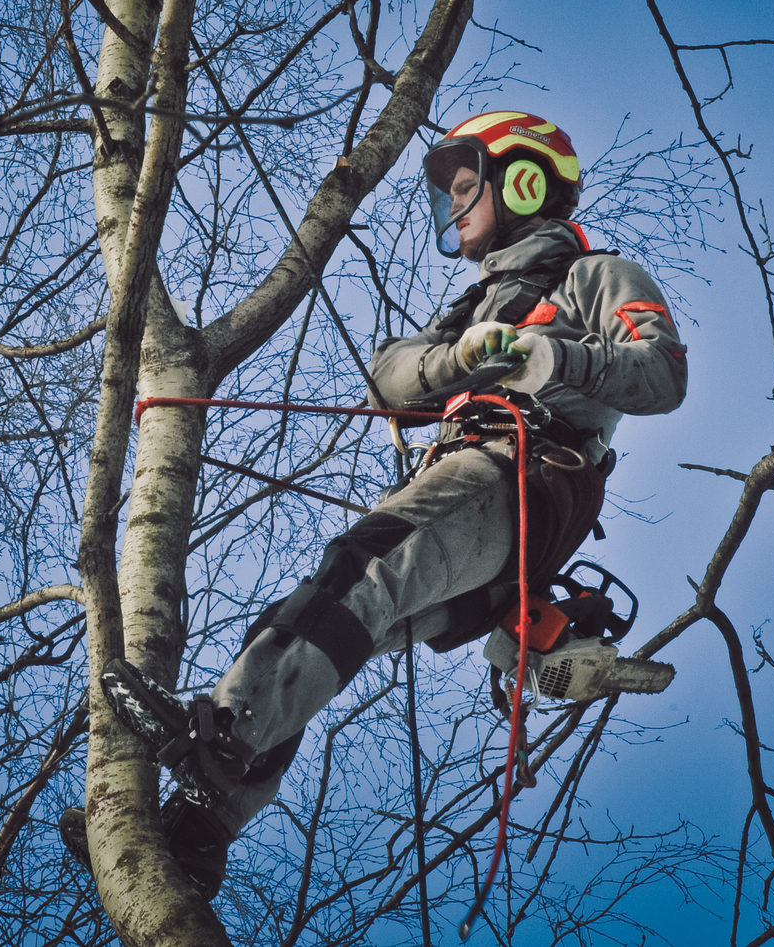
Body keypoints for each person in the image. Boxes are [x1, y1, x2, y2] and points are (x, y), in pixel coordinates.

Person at [60, 110, 687, 898]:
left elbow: (663, 372)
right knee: (347, 618)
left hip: (518, 475)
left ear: (524, 181)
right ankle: (202, 826)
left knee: (361, 567)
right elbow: (392, 378)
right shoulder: (474, 308)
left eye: (468, 185)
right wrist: (462, 355)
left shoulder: (595, 278)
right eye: (450, 192)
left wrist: (554, 353)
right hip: (480, 498)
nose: (455, 205)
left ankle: (220, 733)